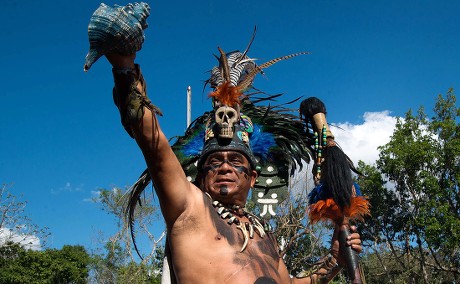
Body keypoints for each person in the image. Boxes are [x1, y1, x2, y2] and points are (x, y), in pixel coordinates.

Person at [86, 3, 362, 283]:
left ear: (253, 177)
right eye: (214, 163)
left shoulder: (263, 235)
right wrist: (124, 66)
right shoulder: (190, 209)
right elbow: (154, 148)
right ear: (201, 176)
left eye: (236, 161)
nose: (224, 168)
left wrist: (335, 261)